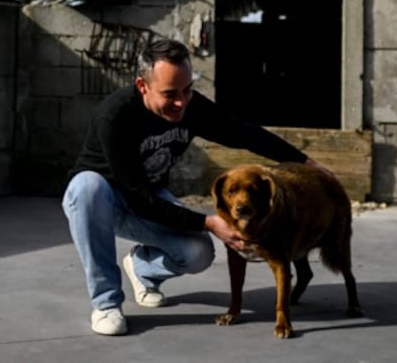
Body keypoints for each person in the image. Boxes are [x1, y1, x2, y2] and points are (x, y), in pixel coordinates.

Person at [61, 38, 331, 335]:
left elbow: (244, 133)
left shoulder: (191, 106)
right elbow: (135, 197)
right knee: (86, 186)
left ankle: (141, 268)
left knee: (199, 253)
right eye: (170, 94)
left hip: (149, 197)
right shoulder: (114, 116)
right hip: (104, 202)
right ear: (142, 86)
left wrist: (305, 163)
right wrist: (208, 222)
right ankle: (106, 303)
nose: (181, 102)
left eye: (187, 90)